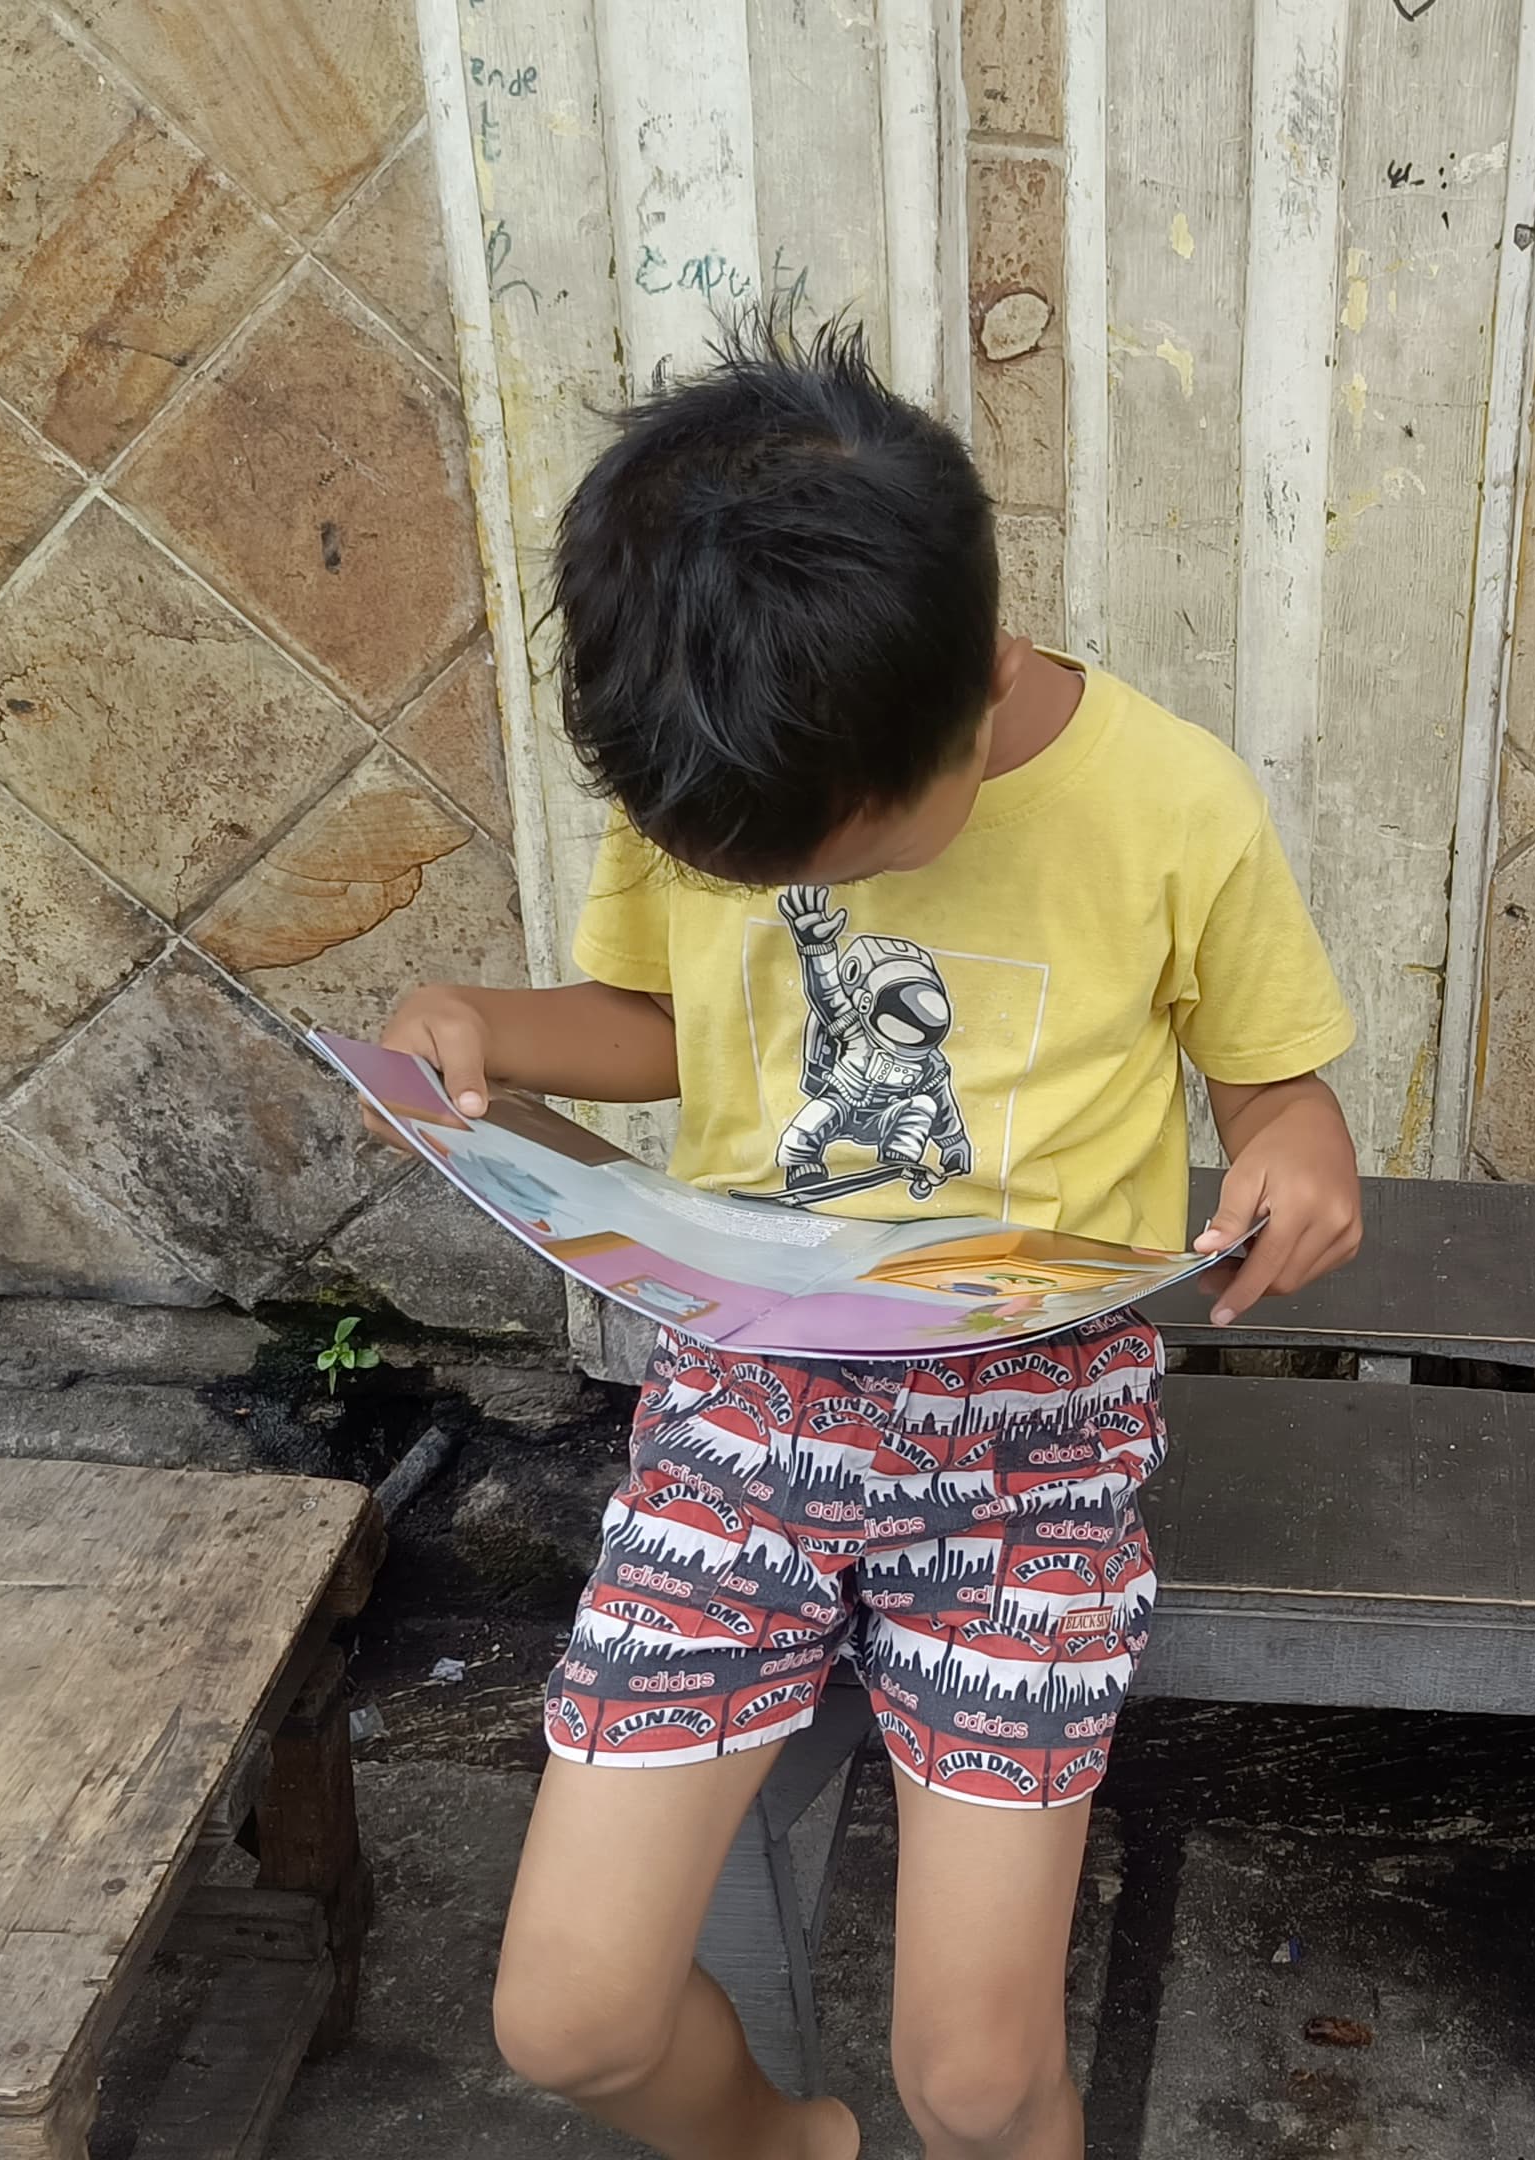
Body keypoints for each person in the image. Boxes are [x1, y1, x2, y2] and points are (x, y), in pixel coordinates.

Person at [372, 324, 1364, 2160]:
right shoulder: (727, 769)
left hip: (1031, 1446)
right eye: (751, 878)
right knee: (568, 2018)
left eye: (840, 865)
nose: (786, 900)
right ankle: (787, 2144)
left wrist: (1298, 1156)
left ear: (980, 693)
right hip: (740, 1418)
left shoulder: (1170, 803)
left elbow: (1276, 1090)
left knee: (976, 2083)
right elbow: (669, 1024)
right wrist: (488, 1031)